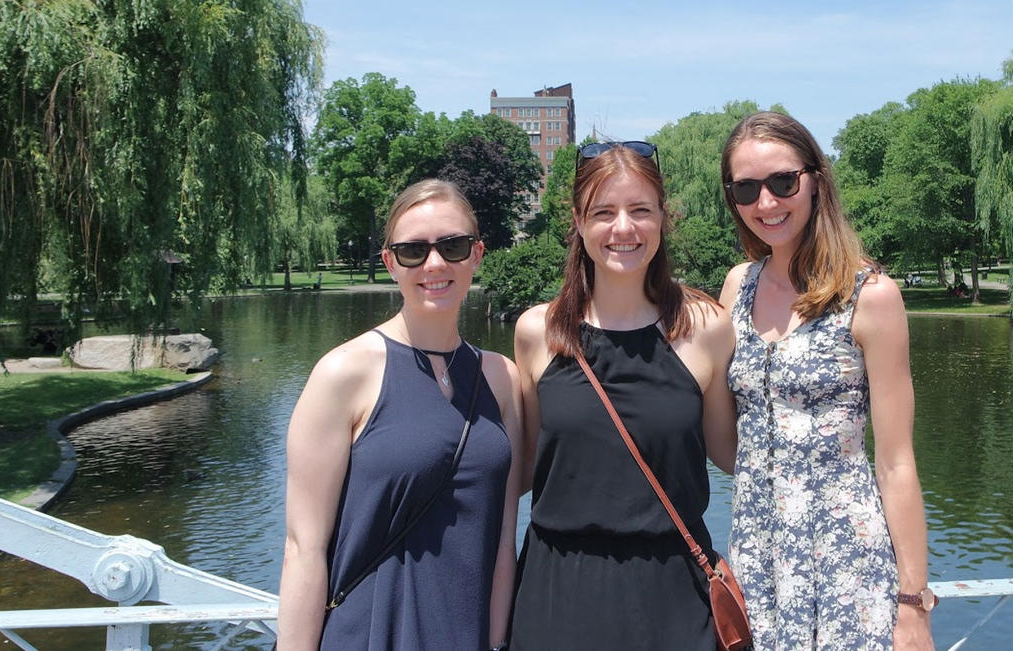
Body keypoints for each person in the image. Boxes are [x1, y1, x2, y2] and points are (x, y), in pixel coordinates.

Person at [717, 112, 935, 651]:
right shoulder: (736, 288)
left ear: (816, 179)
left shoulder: (869, 295)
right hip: (756, 553)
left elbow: (896, 461)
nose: (765, 203)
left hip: (845, 560)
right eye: (747, 188)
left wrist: (913, 606)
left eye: (782, 182)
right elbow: (728, 439)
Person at [509, 142, 737, 650]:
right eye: (604, 212)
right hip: (557, 595)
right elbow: (516, 472)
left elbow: (735, 454)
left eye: (640, 210)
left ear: (663, 217)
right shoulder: (536, 333)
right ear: (578, 221)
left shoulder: (707, 329)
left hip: (676, 595)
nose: (624, 229)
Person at [278, 179, 522, 650]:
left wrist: (495, 643)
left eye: (452, 246)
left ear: (476, 254)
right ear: (391, 263)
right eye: (413, 251)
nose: (435, 264)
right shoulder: (344, 373)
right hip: (372, 633)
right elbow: (303, 549)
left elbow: (503, 541)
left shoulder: (502, 379)